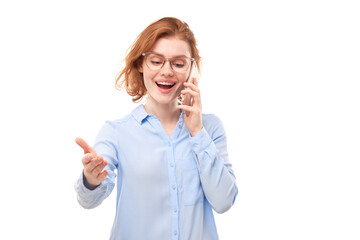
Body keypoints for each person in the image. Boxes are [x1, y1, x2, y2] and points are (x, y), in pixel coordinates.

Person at [74, 17, 238, 240]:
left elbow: (224, 201)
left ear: (191, 68)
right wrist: (90, 179)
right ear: (141, 65)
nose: (167, 71)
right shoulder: (116, 132)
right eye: (156, 61)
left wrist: (197, 133)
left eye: (178, 64)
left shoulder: (210, 127)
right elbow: (88, 201)